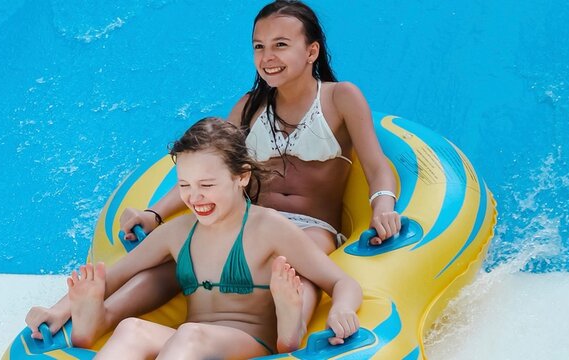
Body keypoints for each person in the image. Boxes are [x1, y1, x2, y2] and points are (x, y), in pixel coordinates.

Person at [26, 0, 400, 352]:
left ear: (311, 51)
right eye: (259, 47)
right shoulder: (249, 106)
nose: (267, 57)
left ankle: (292, 328)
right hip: (245, 221)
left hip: (311, 226)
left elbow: (376, 165)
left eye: (281, 45)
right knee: (180, 261)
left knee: (289, 268)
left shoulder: (339, 99)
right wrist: (154, 214)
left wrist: (383, 206)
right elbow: (212, 169)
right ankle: (98, 315)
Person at [65, 118, 362, 358]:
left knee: (190, 334)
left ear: (241, 177)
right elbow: (113, 277)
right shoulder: (178, 232)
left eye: (206, 184)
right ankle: (92, 320)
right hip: (190, 341)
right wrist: (59, 311)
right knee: (131, 329)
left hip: (250, 341)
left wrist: (342, 310)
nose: (195, 197)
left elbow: (341, 282)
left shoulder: (268, 227)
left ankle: (290, 325)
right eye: (185, 185)